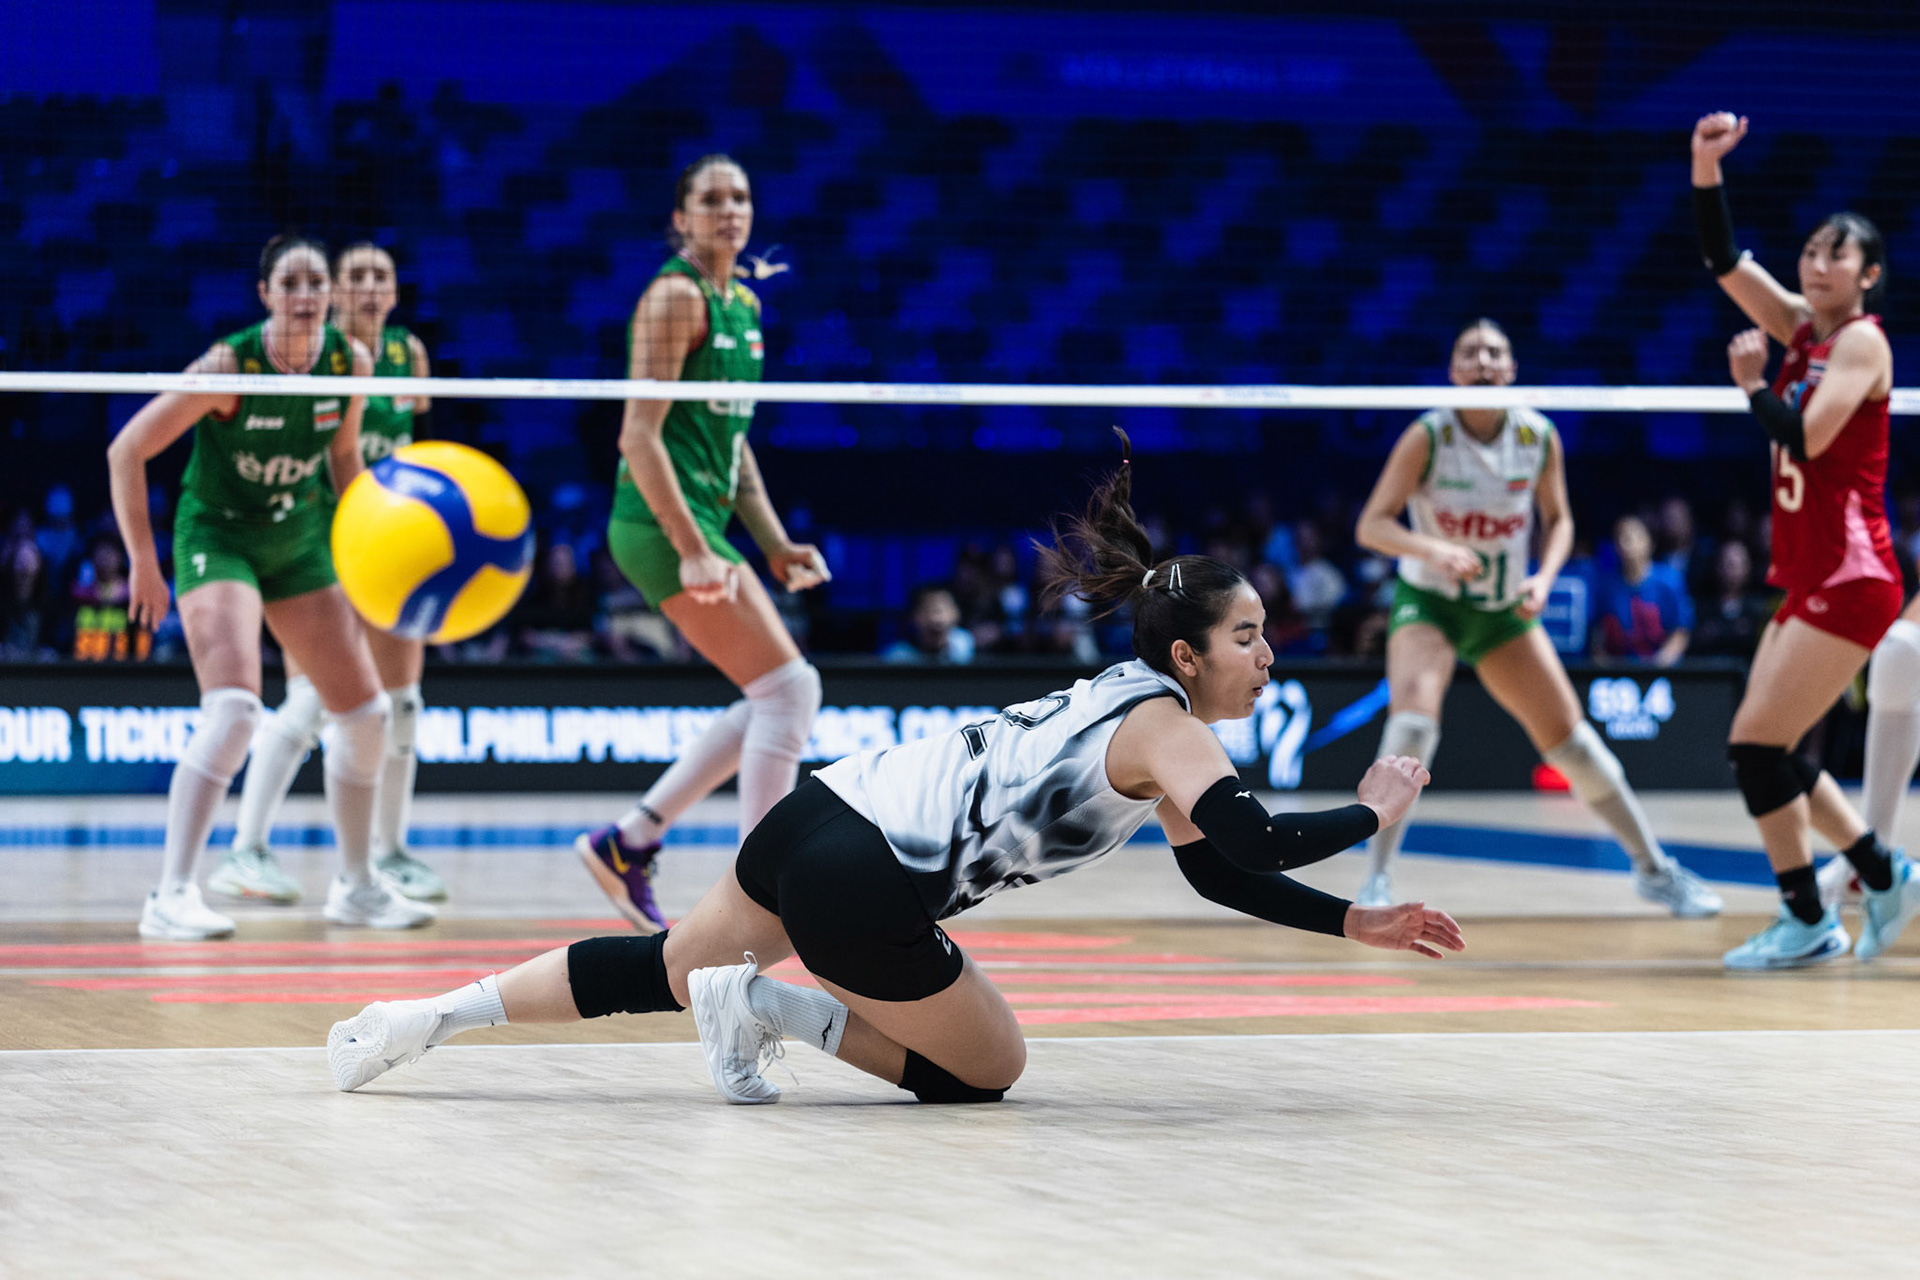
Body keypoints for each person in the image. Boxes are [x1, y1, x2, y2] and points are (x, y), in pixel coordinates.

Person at [326, 433, 1464, 1103]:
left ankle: (425, 1016)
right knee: (987, 1071)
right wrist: (1367, 810)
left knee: (655, 964)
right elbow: (1256, 838)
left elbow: (1220, 872)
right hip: (868, 881)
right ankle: (767, 1003)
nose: (1269, 655)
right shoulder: (1174, 729)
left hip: (827, 809)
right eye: (1250, 636)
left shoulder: (1138, 715)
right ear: (1187, 653)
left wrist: (1348, 926)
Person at [107, 234, 432, 940]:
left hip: (297, 543)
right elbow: (127, 448)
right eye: (292, 283)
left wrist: (373, 546)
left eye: (318, 282)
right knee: (234, 710)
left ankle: (356, 887)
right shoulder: (232, 364)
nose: (308, 295)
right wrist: (142, 560)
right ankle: (171, 894)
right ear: (267, 294)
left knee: (368, 716)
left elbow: (346, 458)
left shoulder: (351, 362)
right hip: (219, 538)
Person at [1351, 319, 1721, 916]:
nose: (1483, 362)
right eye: (1469, 353)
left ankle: (1655, 869)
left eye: (1495, 352)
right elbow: (1372, 525)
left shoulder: (1537, 435)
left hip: (1502, 611)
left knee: (1573, 746)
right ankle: (1376, 880)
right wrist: (1434, 550)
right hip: (1432, 603)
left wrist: (1544, 579)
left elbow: (1562, 520)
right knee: (1413, 729)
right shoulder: (1428, 436)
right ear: (1453, 372)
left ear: (1511, 369)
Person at [573, 154, 829, 935]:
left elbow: (733, 444)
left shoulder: (744, 307)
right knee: (790, 690)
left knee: (777, 691)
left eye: (741, 196)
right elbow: (638, 437)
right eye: (711, 199)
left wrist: (775, 542)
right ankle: (763, 886)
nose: (730, 209)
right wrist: (690, 547)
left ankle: (632, 840)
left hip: (703, 525)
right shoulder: (674, 299)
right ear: (681, 218)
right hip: (656, 525)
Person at [1690, 111, 1920, 967]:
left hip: (1855, 572)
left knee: (1757, 746)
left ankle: (1824, 910)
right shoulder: (1802, 326)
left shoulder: (1861, 343)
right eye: (1814, 250)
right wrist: (1705, 166)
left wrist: (1752, 387)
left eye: (1838, 253)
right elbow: (1723, 262)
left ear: (1869, 276)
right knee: (1764, 746)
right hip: (1813, 571)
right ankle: (1873, 876)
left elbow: (1806, 436)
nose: (1818, 263)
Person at [215, 243, 447, 905]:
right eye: (357, 276)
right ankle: (245, 849)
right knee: (312, 700)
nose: (370, 286)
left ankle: (392, 852)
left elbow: (421, 454)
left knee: (403, 706)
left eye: (382, 275)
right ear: (336, 292)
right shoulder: (323, 357)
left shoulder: (410, 356)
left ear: (396, 291)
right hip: (317, 545)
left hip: (391, 546)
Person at [1591, 515, 1692, 666]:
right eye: (1619, 538)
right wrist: (1606, 666)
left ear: (1648, 542)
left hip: (1662, 671)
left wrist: (1657, 666)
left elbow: (1680, 633)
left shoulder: (1670, 580)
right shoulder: (1605, 586)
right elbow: (1598, 636)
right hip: (1616, 674)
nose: (1624, 544)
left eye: (1630, 537)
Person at [881, 584, 975, 664]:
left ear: (957, 614)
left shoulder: (965, 645)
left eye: (943, 609)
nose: (936, 618)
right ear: (913, 616)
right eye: (927, 610)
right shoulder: (897, 658)